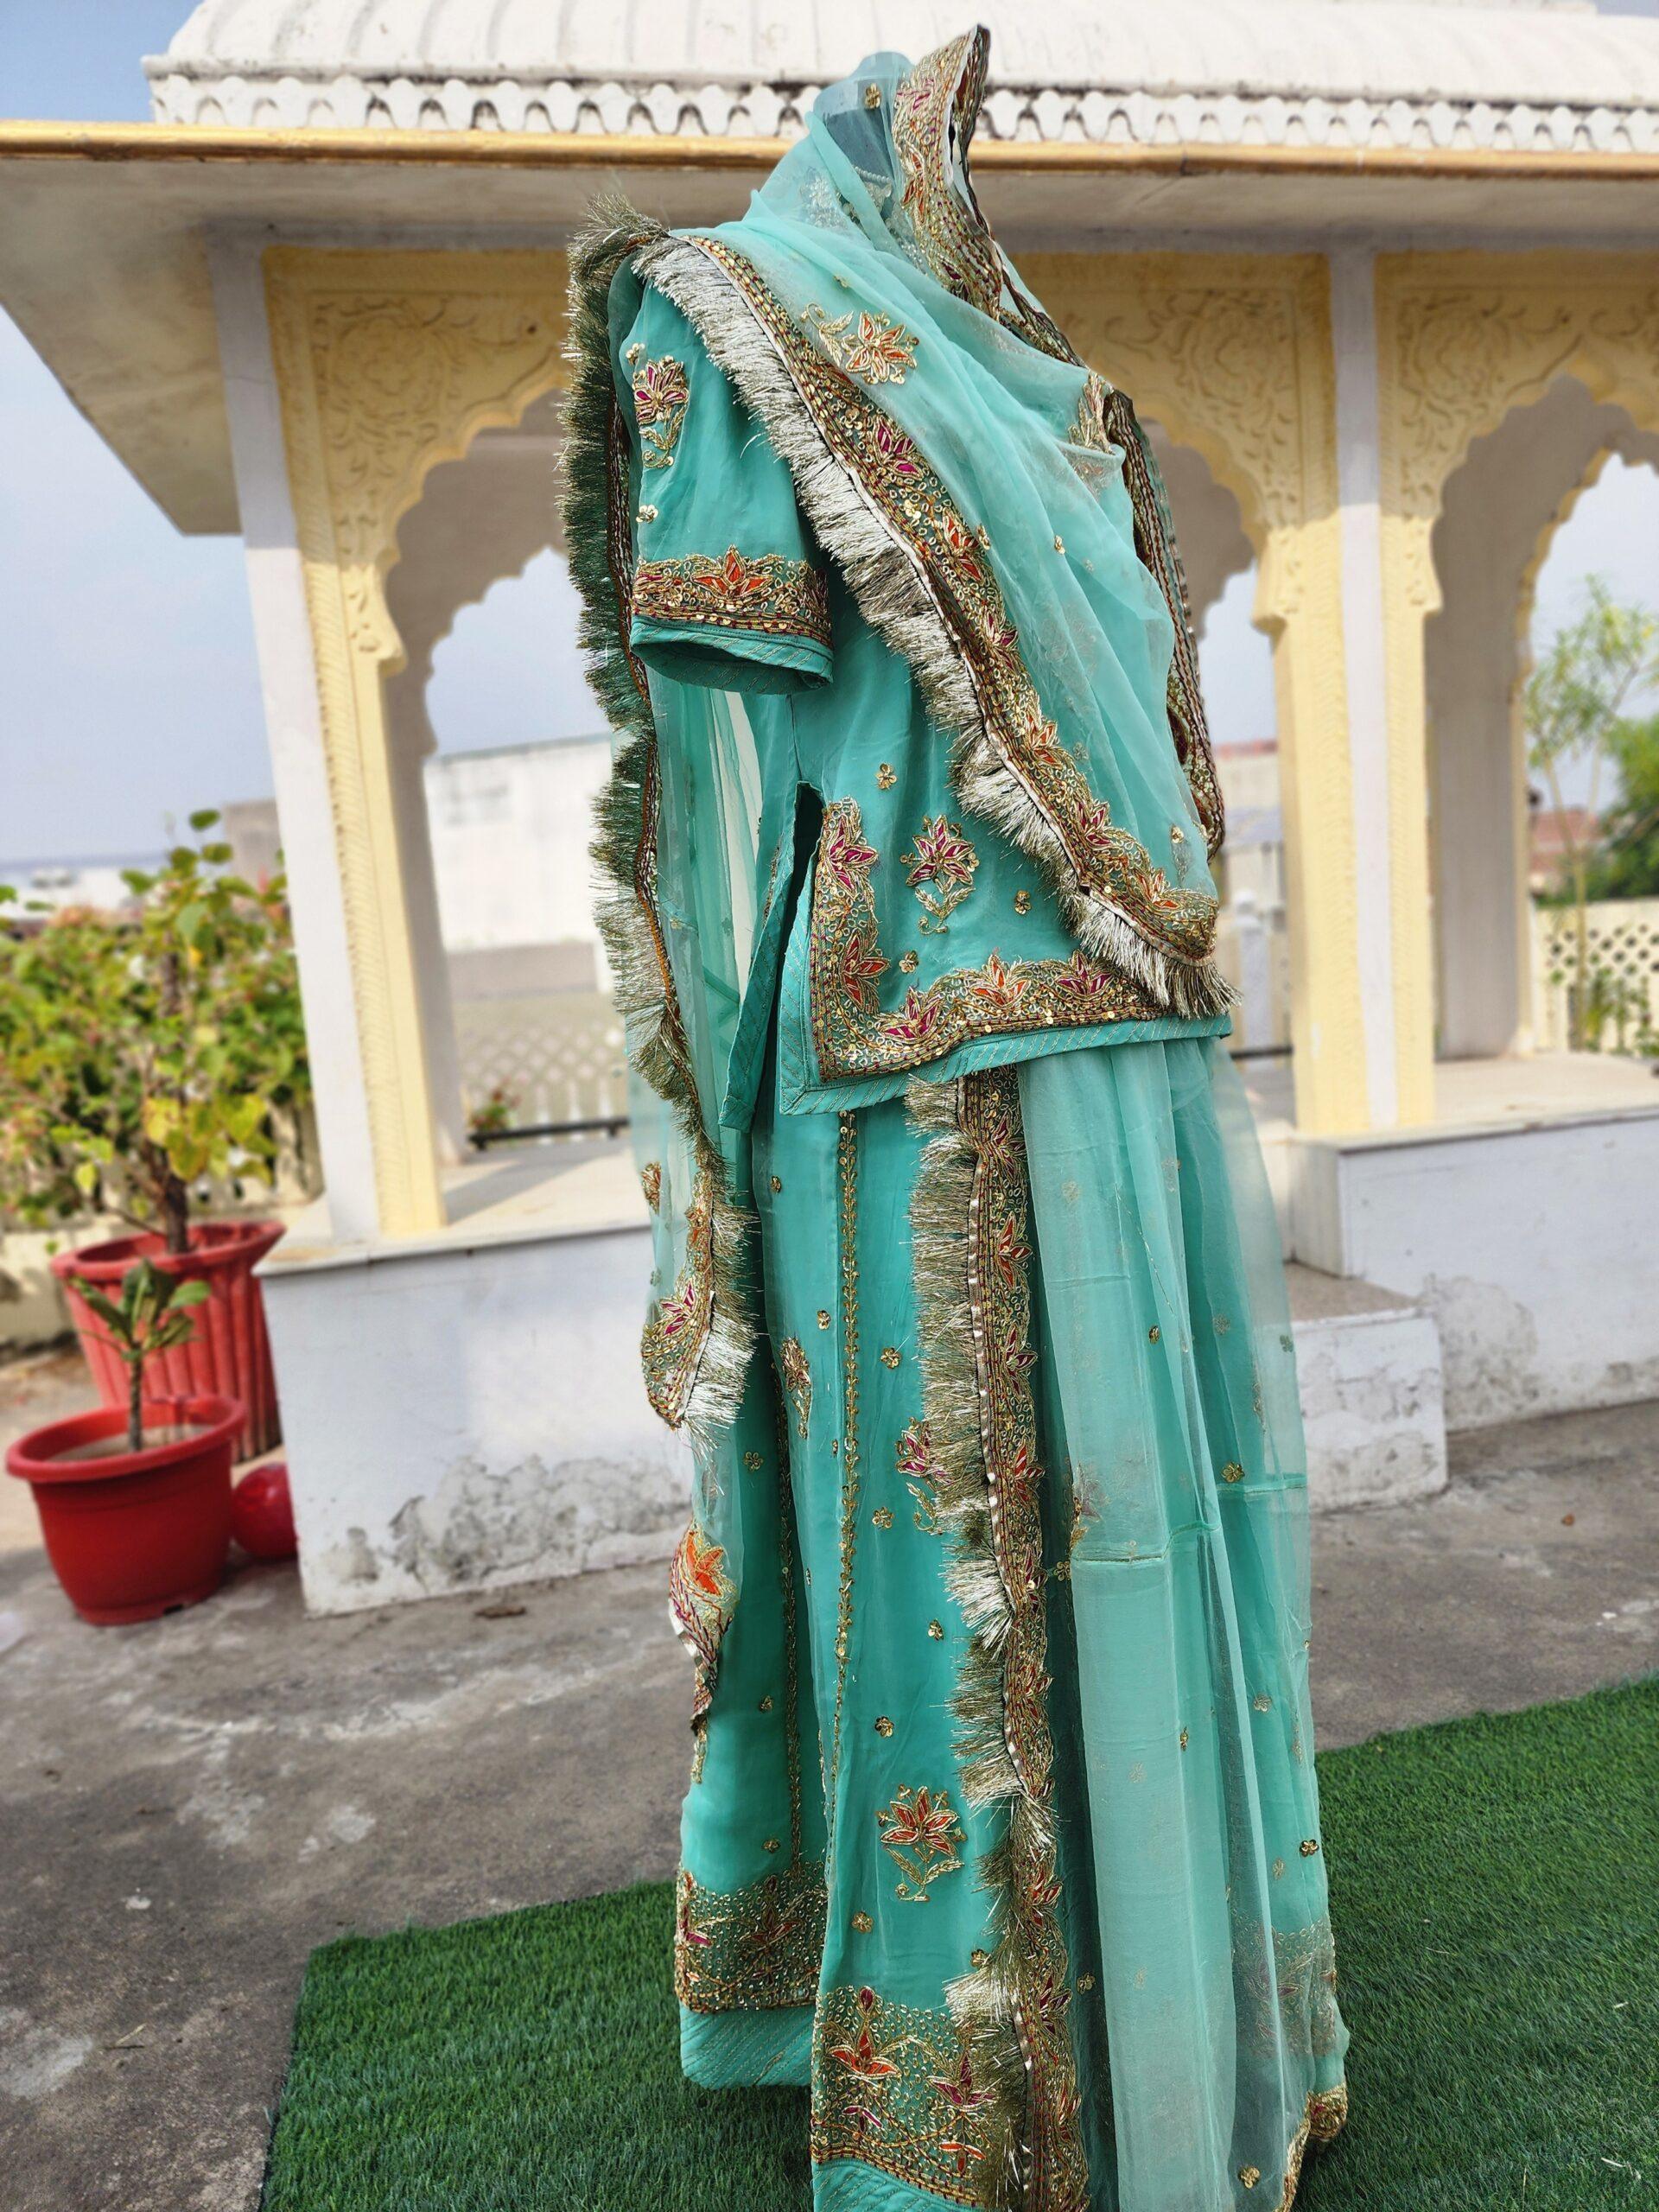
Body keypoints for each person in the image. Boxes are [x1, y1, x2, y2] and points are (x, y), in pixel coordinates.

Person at [564, 27, 1349, 2209]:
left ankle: (1002, 2110)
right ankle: (1155, 2061)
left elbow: (719, 737)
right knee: (1097, 1533)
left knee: (964, 1567)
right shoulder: (1024, 397)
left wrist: (708, 1091)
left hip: (903, 1067)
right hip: (1100, 1054)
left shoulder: (750, 318)